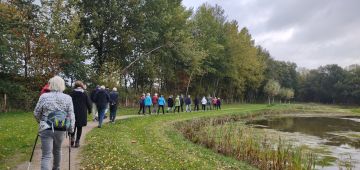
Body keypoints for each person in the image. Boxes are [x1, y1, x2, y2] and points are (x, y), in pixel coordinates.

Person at [34, 76, 75, 170]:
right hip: (60, 128)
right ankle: (56, 168)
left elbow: (36, 112)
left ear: (50, 85)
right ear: (62, 85)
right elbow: (71, 115)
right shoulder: (67, 98)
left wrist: (40, 122)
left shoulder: (44, 96)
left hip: (46, 128)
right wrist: (71, 129)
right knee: (57, 150)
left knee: (46, 155)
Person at [70, 81, 91, 148]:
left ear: (75, 86)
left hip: (73, 111)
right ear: (81, 85)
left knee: (73, 126)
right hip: (82, 112)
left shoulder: (72, 93)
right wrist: (89, 110)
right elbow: (88, 102)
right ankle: (77, 141)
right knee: (79, 127)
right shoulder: (85, 93)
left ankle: (72, 137)